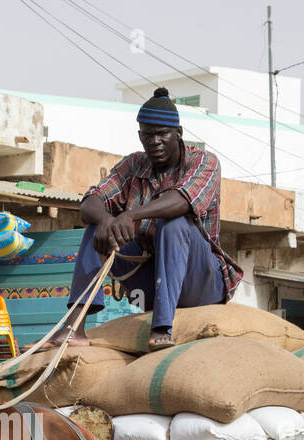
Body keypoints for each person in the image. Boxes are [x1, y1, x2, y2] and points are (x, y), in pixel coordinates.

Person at [62, 87, 243, 348]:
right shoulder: (133, 165)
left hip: (201, 283)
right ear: (140, 136)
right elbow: (91, 200)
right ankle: (74, 328)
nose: (155, 142)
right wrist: (104, 220)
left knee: (173, 224)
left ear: (178, 134)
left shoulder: (203, 162)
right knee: (95, 229)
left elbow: (181, 201)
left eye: (162, 134)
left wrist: (131, 215)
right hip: (153, 278)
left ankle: (161, 328)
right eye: (148, 136)